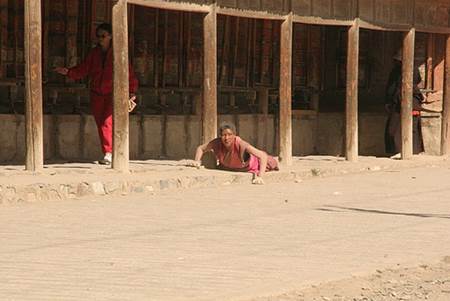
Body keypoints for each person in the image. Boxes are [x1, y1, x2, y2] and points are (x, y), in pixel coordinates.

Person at [55, 23, 138, 164]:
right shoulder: (94, 53)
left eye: (103, 36)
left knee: (107, 122)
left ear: (111, 36)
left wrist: (132, 91)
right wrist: (69, 72)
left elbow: (128, 73)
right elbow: (84, 69)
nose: (100, 39)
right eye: (98, 36)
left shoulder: (118, 53)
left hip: (113, 93)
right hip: (96, 93)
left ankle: (109, 152)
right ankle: (110, 151)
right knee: (101, 123)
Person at [192, 123, 279, 184]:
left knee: (271, 162)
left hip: (251, 165)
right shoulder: (216, 142)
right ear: (220, 136)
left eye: (229, 135)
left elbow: (262, 156)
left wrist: (260, 177)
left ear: (234, 135)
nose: (226, 138)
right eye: (224, 135)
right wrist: (197, 161)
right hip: (229, 167)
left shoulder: (240, 143)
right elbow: (200, 148)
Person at [384, 49, 424, 156]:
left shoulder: (413, 69)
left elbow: (416, 81)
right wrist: (388, 101)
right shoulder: (395, 71)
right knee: (393, 129)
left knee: (412, 129)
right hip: (395, 104)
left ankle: (412, 151)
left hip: (412, 102)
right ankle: (397, 150)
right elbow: (390, 88)